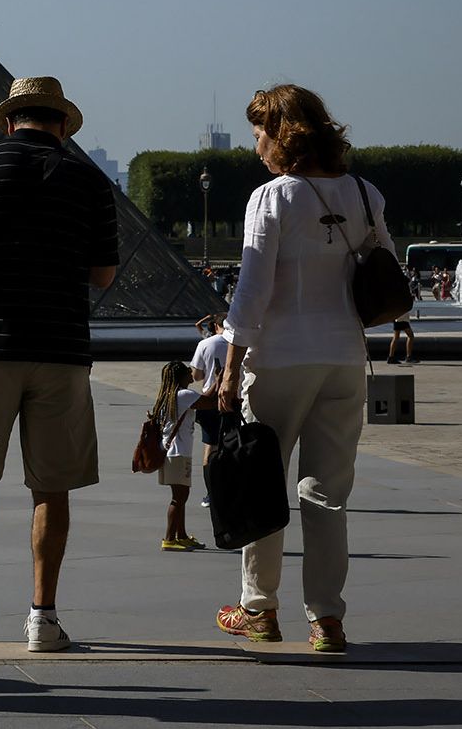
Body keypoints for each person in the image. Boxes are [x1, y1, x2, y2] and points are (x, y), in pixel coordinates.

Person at [0, 77, 120, 653]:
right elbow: (104, 276)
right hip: (61, 347)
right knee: (52, 486)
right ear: (62, 124)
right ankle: (43, 616)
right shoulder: (90, 181)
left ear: (10, 121)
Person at [215, 84, 392, 655]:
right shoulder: (366, 194)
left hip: (280, 359)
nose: (255, 147)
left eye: (260, 134)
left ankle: (258, 610)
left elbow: (251, 292)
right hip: (344, 356)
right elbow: (384, 269)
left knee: (262, 483)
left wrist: (229, 367)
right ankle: (327, 620)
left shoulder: (272, 198)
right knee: (327, 496)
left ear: (283, 132)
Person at [151, 361, 206, 551]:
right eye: (188, 371)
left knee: (181, 496)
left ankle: (181, 536)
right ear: (181, 377)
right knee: (179, 497)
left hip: (171, 452)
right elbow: (210, 402)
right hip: (178, 453)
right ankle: (169, 539)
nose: (192, 373)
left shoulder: (169, 395)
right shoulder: (184, 395)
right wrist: (219, 378)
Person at [189, 315, 228, 509]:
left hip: (210, 402)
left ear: (215, 325)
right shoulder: (241, 342)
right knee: (233, 447)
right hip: (236, 400)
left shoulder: (206, 344)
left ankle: (211, 493)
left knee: (210, 447)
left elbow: (196, 376)